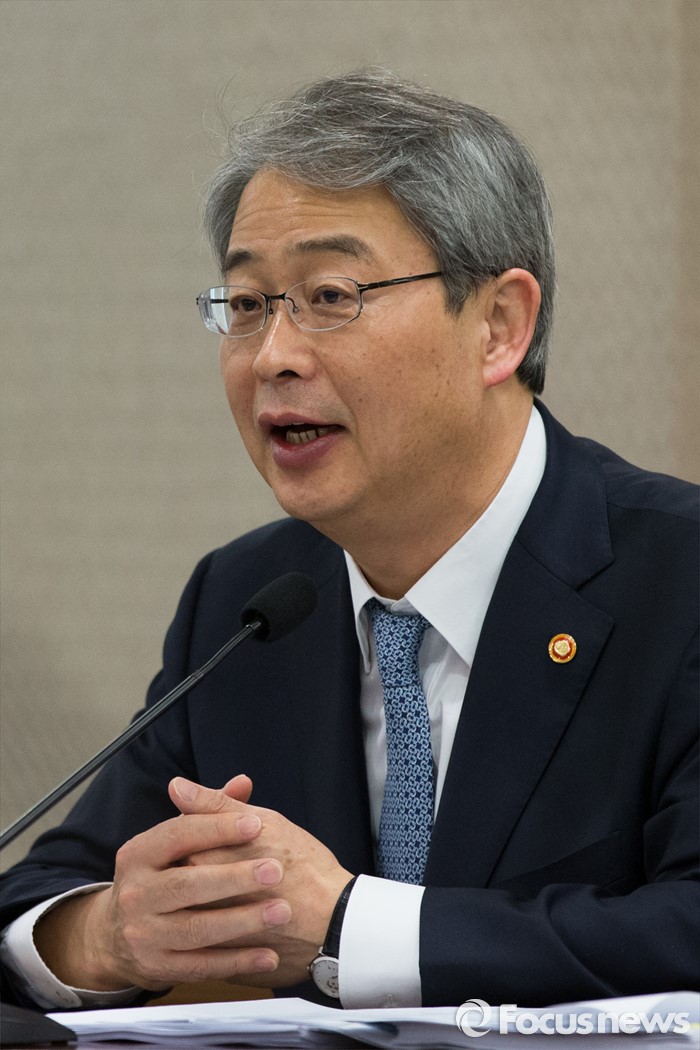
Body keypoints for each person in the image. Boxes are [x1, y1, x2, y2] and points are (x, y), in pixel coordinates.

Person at [0, 69, 697, 1012]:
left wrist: (347, 925)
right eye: (248, 304)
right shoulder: (247, 603)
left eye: (330, 295)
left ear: (499, 326)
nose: (274, 355)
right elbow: (44, 893)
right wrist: (109, 936)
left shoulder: (678, 580)